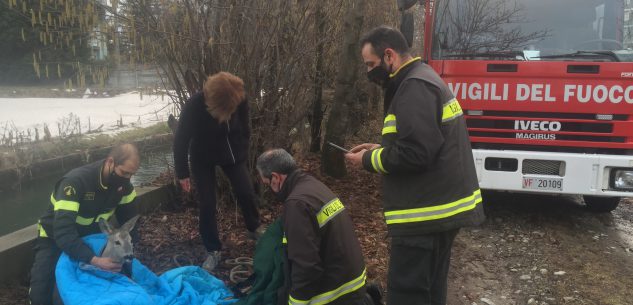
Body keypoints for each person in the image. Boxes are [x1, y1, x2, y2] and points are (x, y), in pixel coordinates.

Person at [345, 26, 486, 305]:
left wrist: (368, 160)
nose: (369, 72)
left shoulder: (413, 87)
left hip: (425, 215)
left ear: (389, 56)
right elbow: (424, 141)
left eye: (371, 65)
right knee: (431, 292)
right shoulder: (422, 79)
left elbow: (416, 153)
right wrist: (380, 148)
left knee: (407, 294)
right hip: (439, 210)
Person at [29, 143, 141, 305]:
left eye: (131, 174)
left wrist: (128, 255)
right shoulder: (74, 183)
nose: (127, 179)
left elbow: (130, 226)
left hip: (91, 238)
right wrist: (94, 260)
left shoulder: (125, 188)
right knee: (41, 294)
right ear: (110, 162)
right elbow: (63, 232)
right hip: (54, 238)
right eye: (124, 172)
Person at [173, 71, 263, 272]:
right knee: (207, 203)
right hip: (202, 157)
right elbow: (181, 140)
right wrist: (182, 173)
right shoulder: (194, 105)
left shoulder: (238, 96)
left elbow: (246, 126)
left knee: (246, 191)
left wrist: (243, 146)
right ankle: (213, 249)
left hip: (231, 153)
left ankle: (254, 227)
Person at [256, 149, 368, 305]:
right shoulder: (312, 185)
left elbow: (306, 267)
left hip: (335, 294)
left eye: (268, 184)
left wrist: (295, 302)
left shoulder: (296, 205)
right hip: (353, 284)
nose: (270, 188)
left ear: (275, 177)